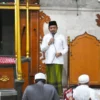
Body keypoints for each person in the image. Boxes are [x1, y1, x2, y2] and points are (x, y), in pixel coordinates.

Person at [41, 21, 68, 96]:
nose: (52, 29)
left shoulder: (61, 36)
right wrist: (48, 43)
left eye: (54, 27)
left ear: (57, 28)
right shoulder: (46, 37)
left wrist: (61, 53)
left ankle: (59, 94)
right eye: (51, 28)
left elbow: (66, 48)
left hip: (59, 61)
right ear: (49, 28)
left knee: (58, 79)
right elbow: (42, 49)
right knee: (50, 79)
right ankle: (50, 94)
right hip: (49, 61)